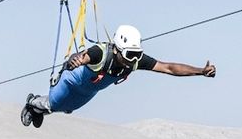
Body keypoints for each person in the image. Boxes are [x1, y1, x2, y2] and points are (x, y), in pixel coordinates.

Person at [21, 24, 216, 127]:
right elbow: (83, 56)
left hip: (89, 90)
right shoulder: (101, 53)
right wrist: (76, 60)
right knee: (54, 104)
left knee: (68, 108)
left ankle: (39, 111)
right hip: (72, 81)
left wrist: (200, 71)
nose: (134, 60)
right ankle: (33, 103)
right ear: (116, 49)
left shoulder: (136, 60)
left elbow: (169, 68)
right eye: (130, 55)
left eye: (137, 54)